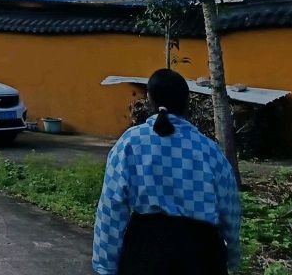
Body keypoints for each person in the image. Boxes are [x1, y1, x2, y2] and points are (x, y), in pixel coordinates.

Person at [92, 68, 241, 275]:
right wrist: (232, 256)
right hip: (202, 257)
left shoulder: (130, 143)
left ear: (150, 100)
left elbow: (111, 208)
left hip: (146, 255)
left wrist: (105, 265)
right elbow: (230, 210)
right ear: (187, 102)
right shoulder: (209, 150)